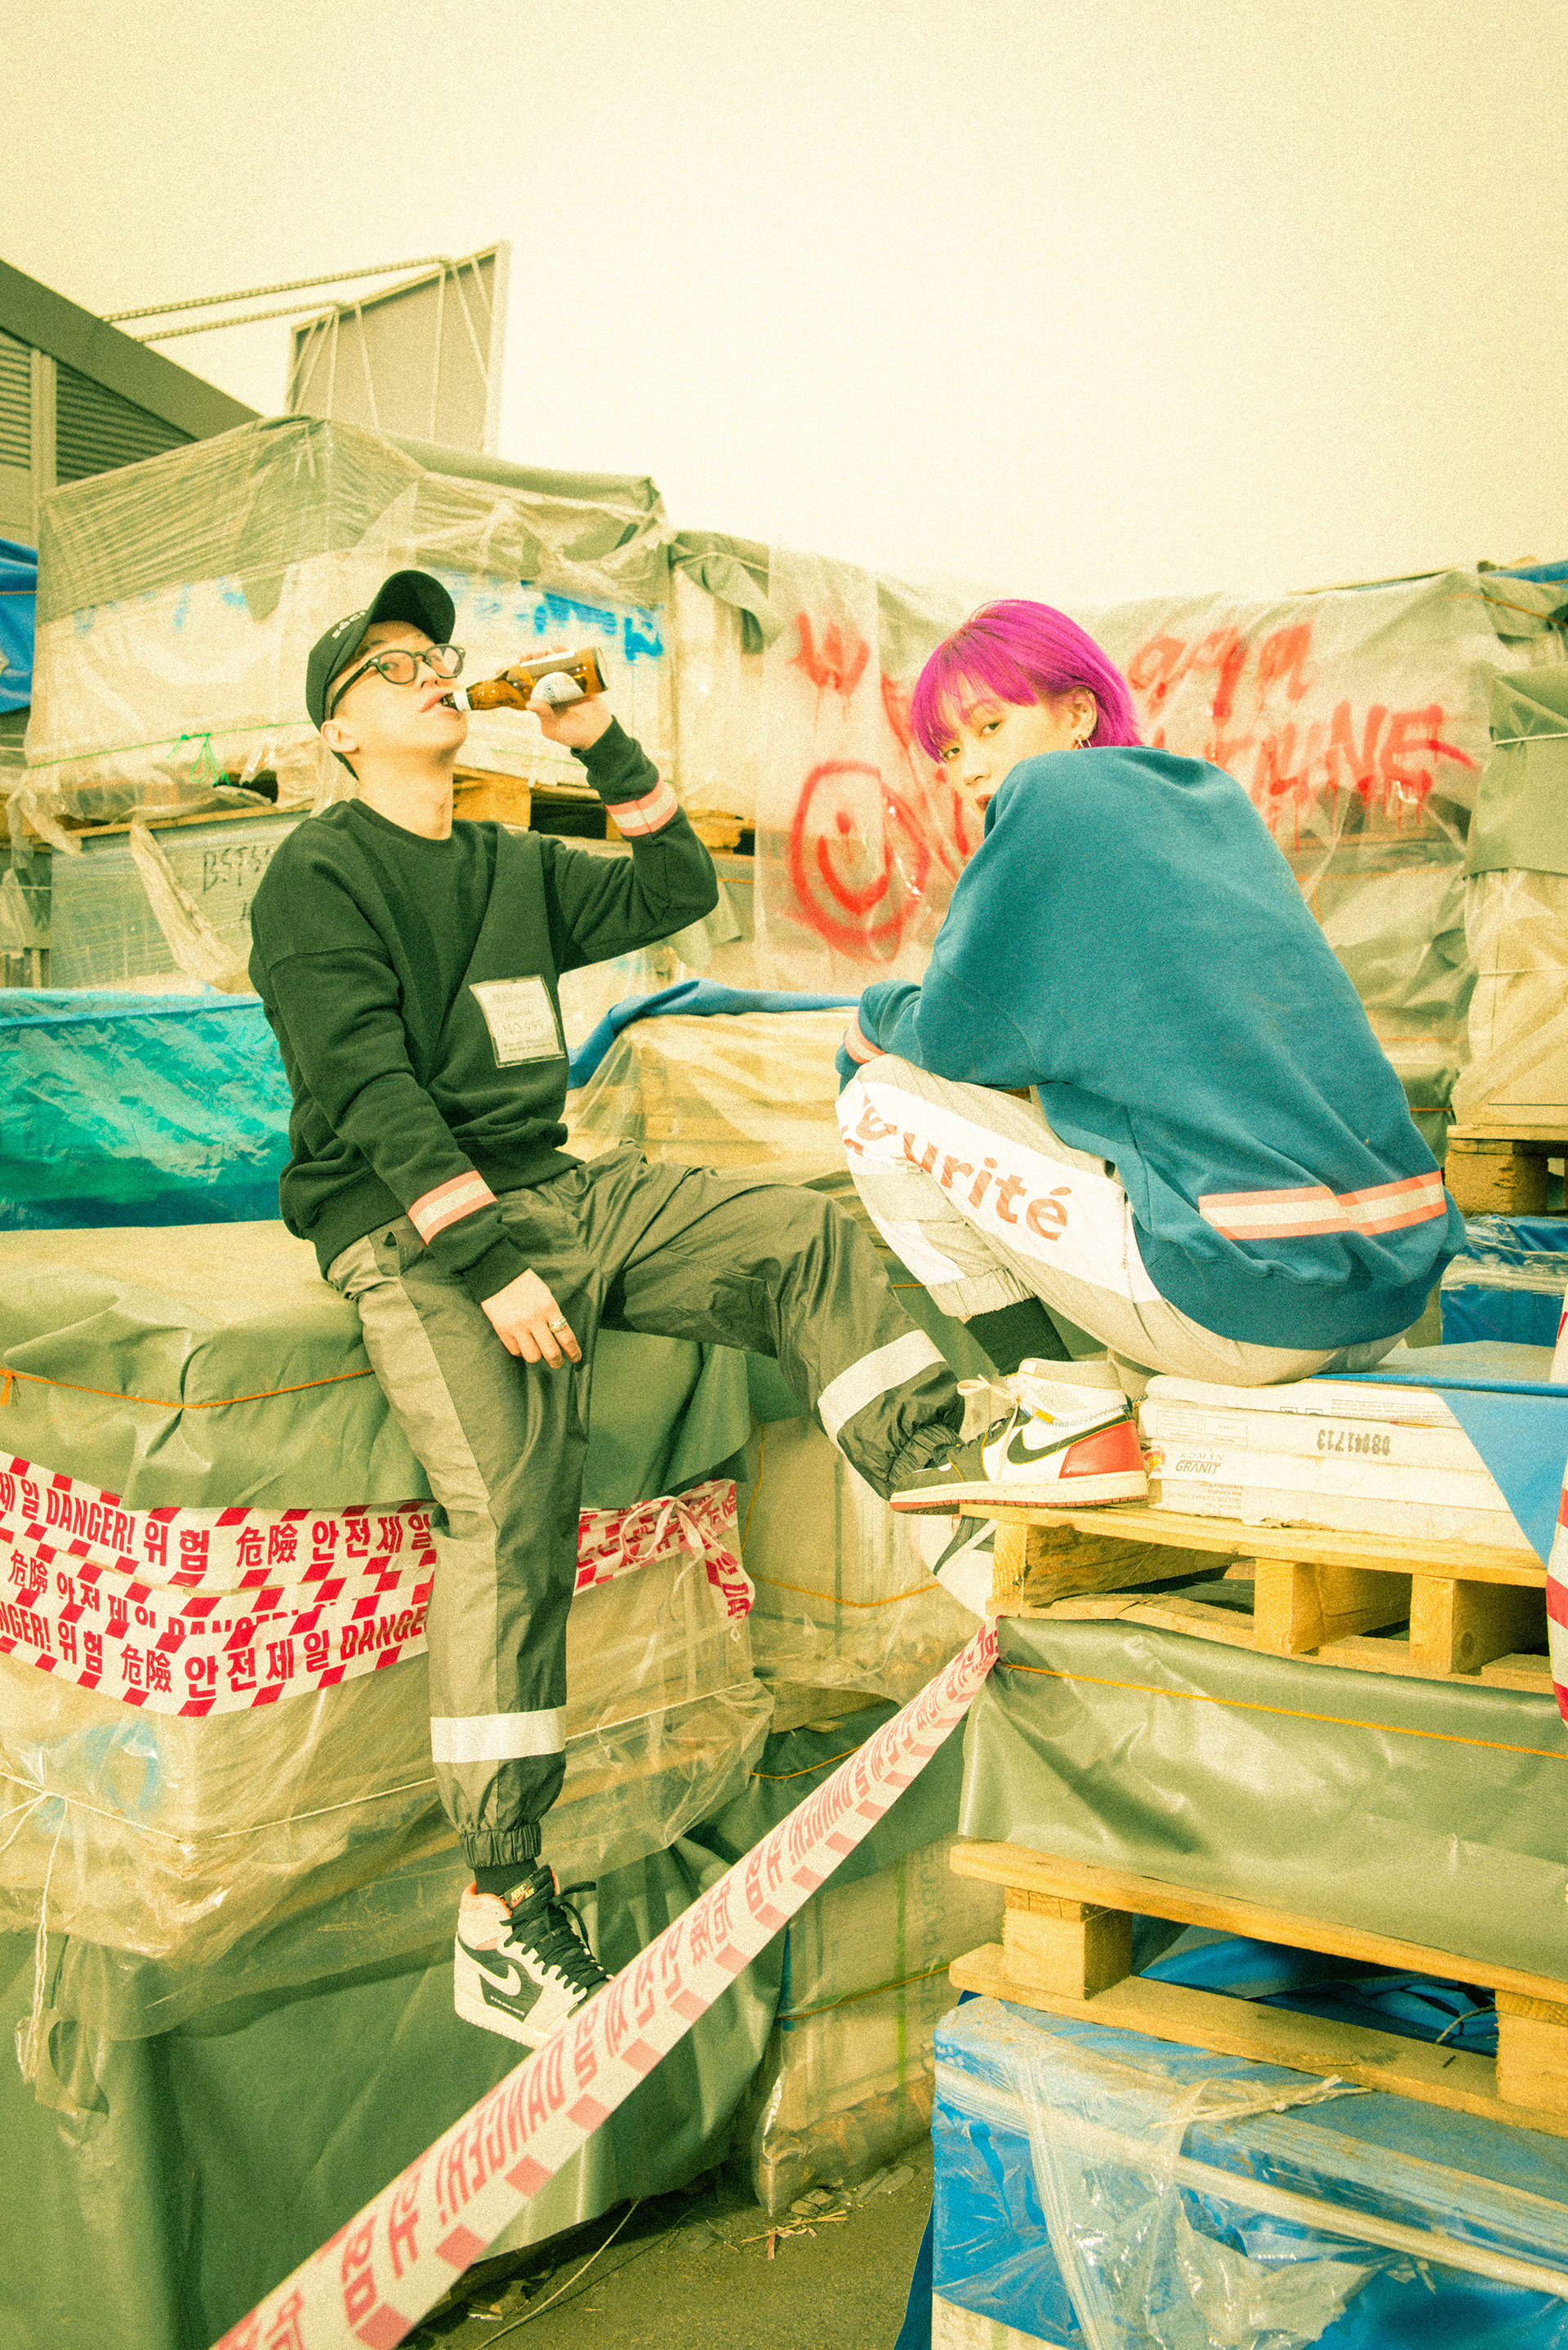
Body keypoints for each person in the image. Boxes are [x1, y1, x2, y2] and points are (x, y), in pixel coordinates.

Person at [248, 570, 969, 2050]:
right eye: (390, 666)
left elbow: (675, 889)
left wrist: (598, 741)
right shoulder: (318, 874)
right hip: (411, 1224)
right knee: (511, 1514)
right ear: (339, 730)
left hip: (560, 1189)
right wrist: (485, 1263)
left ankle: (949, 1496)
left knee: (796, 1236)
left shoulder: (507, 861)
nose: (430, 672)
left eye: (436, 654)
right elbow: (362, 1084)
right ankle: (501, 1902)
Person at [837, 598, 1463, 1525]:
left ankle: (1062, 1421)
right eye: (948, 750)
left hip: (1252, 1309)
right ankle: (1115, 1398)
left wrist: (868, 1022)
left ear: (1077, 712)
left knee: (880, 1102)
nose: (969, 769)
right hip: (1385, 1298)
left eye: (990, 727)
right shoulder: (1209, 801)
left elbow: (955, 1030)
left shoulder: (1049, 800)